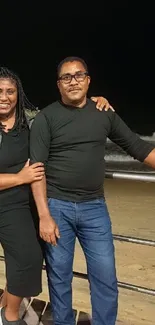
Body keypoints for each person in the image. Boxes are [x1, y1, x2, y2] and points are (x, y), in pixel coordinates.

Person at [30, 56, 155, 325]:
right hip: (57, 207)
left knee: (105, 277)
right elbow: (37, 169)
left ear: (88, 80)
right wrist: (44, 215)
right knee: (60, 277)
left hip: (94, 208)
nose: (73, 81)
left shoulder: (104, 112)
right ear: (58, 84)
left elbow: (138, 147)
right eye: (66, 77)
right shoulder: (45, 118)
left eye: (78, 75)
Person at [0, 66, 113, 325]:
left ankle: (8, 309)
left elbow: (63, 118)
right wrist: (20, 178)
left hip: (22, 205)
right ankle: (10, 315)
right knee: (36, 263)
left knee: (27, 260)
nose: (4, 97)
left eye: (10, 91)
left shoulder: (27, 123)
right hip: (10, 200)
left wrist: (93, 102)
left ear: (18, 95)